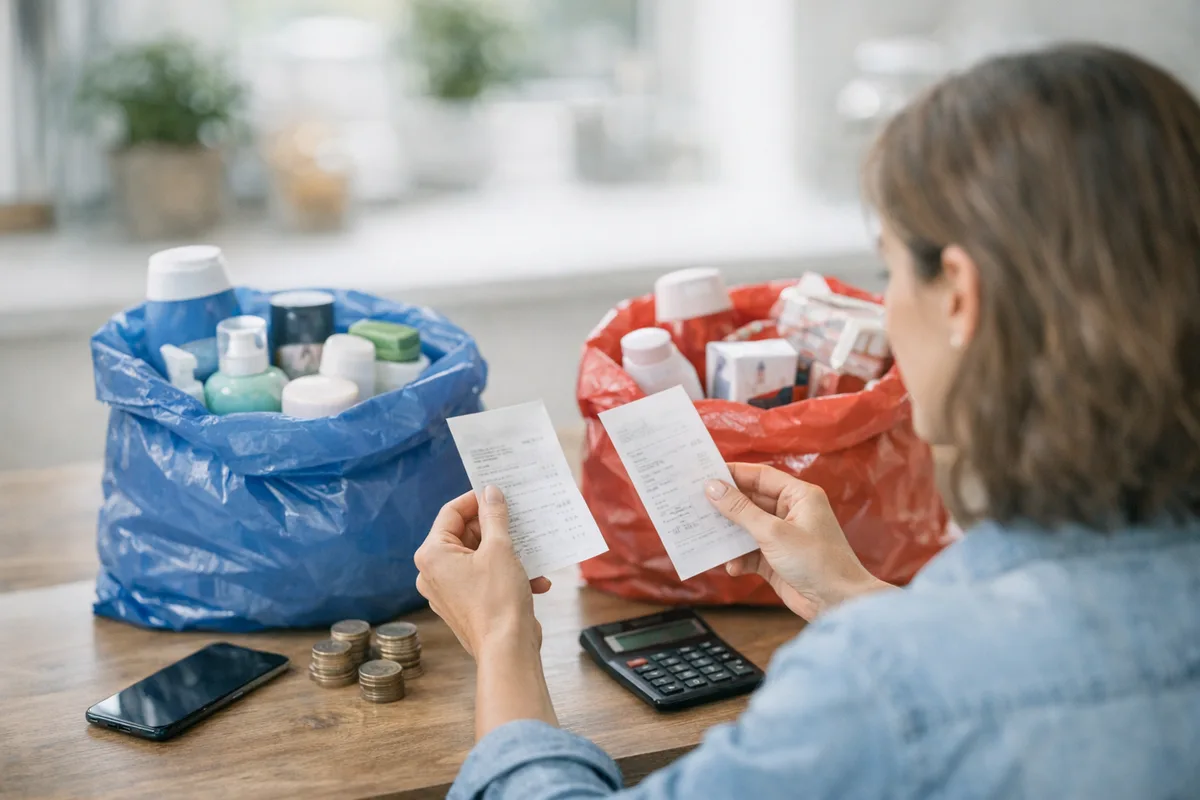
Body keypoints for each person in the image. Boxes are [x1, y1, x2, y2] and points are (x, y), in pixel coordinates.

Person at [415, 44, 1200, 799]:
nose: (885, 304)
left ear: (959, 294)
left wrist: (503, 641)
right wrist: (859, 593)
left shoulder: (880, 686)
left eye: (889, 266)